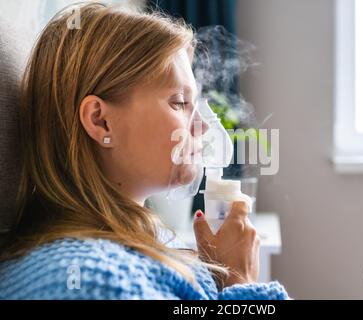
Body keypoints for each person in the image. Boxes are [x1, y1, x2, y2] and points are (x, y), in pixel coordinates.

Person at [0, 2, 289, 300]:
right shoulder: (92, 281)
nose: (202, 128)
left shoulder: (140, 249)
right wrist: (239, 282)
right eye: (179, 102)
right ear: (101, 121)